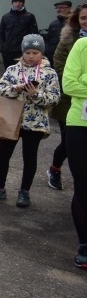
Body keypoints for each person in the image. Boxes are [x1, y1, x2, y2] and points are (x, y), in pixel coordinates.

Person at [0, 34, 59, 208]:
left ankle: (24, 192)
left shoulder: (49, 73)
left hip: (35, 122)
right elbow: (0, 88)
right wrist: (16, 89)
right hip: (10, 119)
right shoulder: (12, 70)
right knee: (3, 155)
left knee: (29, 157)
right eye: (28, 52)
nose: (31, 56)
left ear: (42, 53)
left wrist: (35, 94)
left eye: (36, 52)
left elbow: (54, 99)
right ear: (22, 52)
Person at [48, 2, 87, 191]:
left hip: (80, 91)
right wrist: (77, 81)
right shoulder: (68, 40)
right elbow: (62, 70)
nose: (86, 22)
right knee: (68, 143)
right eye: (83, 18)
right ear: (77, 20)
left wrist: (81, 78)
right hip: (69, 102)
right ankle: (55, 169)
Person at [62, 32, 87, 269]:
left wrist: (85, 79)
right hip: (79, 125)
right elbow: (69, 84)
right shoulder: (82, 45)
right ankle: (84, 244)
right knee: (82, 185)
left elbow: (79, 82)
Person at [0, 0, 39, 69]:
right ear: (12, 3)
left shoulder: (29, 16)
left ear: (23, 3)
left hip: (22, 51)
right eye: (15, 2)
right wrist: (2, 47)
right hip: (7, 51)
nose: (17, 4)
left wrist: (30, 50)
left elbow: (34, 34)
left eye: (20, 2)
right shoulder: (6, 17)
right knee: (9, 72)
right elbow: (1, 33)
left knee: (22, 73)